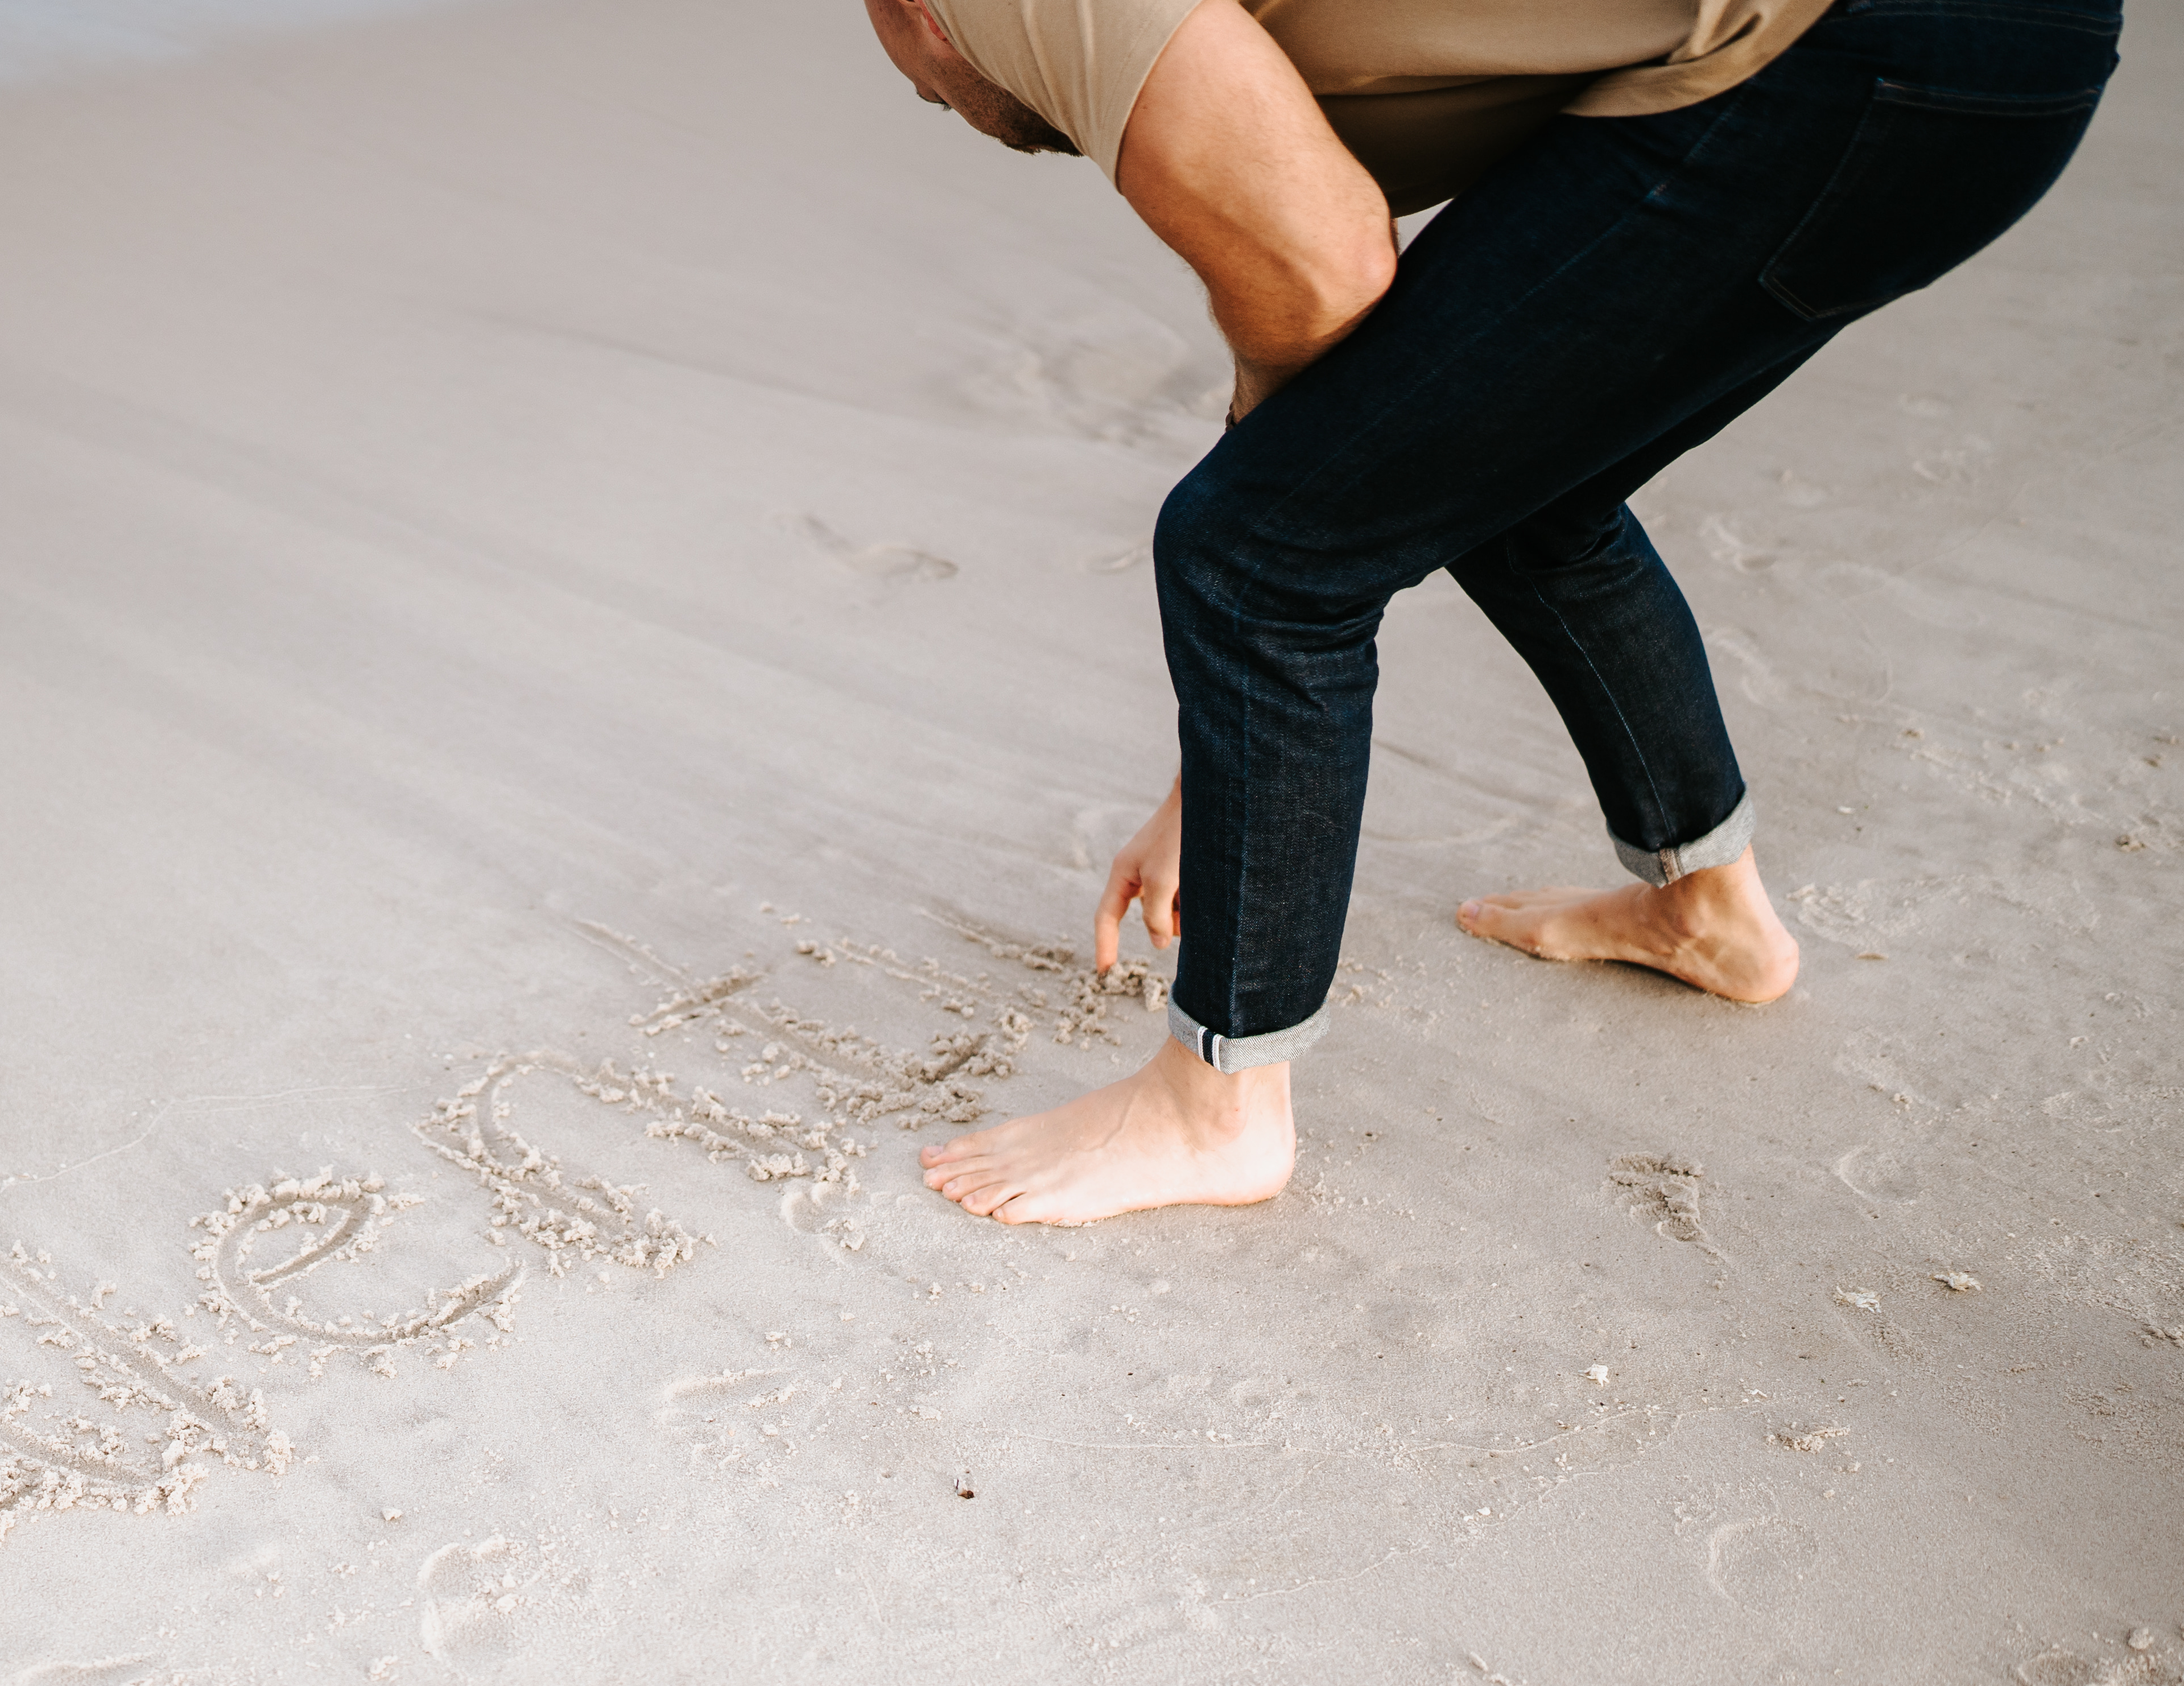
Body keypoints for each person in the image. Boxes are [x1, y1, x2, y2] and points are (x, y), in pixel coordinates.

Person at [881, 0, 2120, 1226]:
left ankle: (1219, 1101)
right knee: (1526, 495)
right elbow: (1318, 363)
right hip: (2002, 57)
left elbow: (1322, 261)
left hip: (1856, 48)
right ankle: (1708, 908)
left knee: (1248, 555)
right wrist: (1217, 764)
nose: (926, 98)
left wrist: (1262, 599)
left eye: (911, 75)